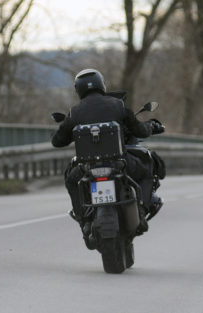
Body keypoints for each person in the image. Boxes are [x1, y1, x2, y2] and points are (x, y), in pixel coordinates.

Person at [51, 68, 164, 247]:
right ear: (101, 84)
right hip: (120, 164)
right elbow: (140, 130)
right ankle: (141, 211)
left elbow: (57, 142)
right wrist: (151, 126)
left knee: (72, 181)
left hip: (86, 168)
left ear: (78, 89)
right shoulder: (117, 105)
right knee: (147, 170)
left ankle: (83, 220)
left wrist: (71, 131)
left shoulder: (75, 113)